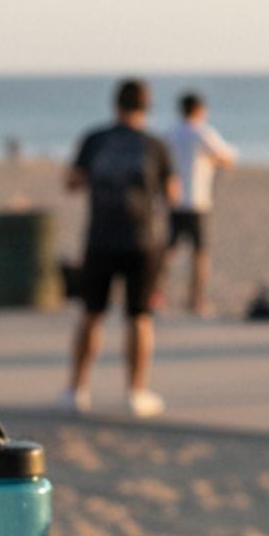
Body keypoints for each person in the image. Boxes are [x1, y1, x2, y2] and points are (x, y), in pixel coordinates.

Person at [61, 78, 176, 417]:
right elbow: (171, 194)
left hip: (100, 237)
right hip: (143, 240)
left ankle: (76, 389)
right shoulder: (154, 145)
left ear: (116, 104)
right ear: (147, 106)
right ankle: (135, 391)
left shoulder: (95, 139)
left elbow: (72, 181)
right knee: (139, 317)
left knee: (91, 313)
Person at [161, 91, 238, 316]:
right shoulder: (202, 132)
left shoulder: (169, 133)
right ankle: (196, 300)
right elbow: (225, 157)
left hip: (172, 201)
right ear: (199, 109)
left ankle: (156, 295)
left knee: (168, 251)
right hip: (196, 201)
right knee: (200, 253)